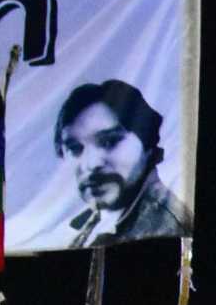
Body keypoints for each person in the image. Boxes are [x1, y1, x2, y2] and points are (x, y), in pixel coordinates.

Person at [55, 79, 192, 248]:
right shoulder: (98, 218)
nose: (91, 164)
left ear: (147, 143)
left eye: (109, 142)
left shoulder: (165, 228)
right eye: (75, 149)